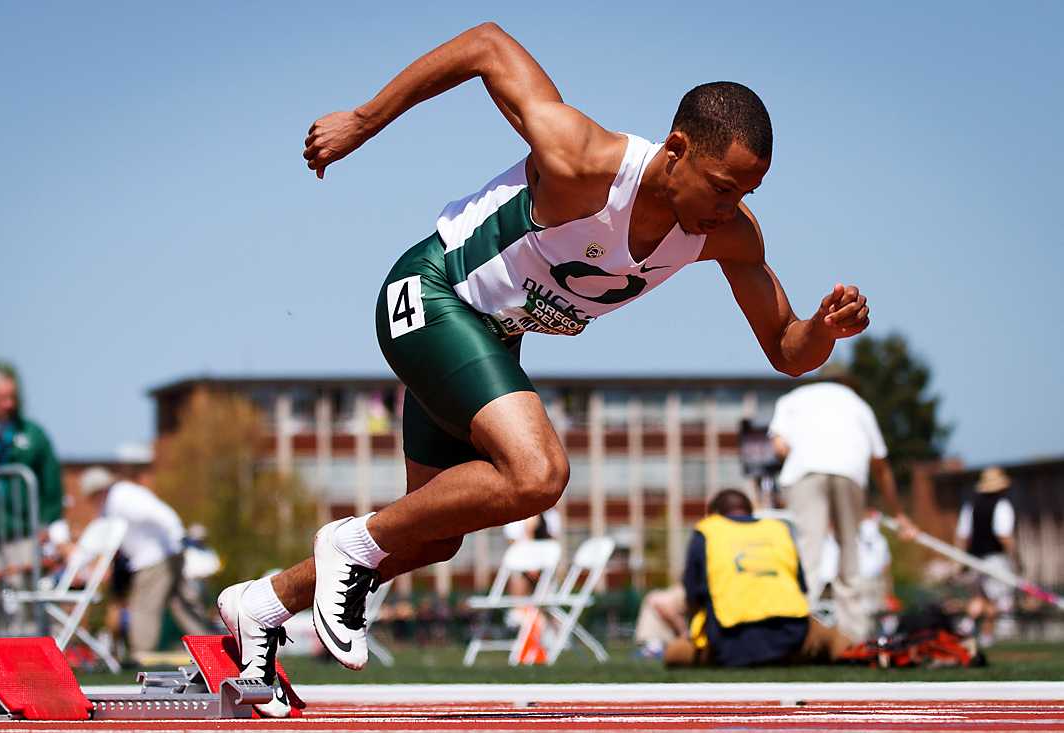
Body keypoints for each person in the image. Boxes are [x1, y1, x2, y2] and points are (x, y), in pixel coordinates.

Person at [217, 22, 873, 715]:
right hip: (431, 295)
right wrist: (362, 120)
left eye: (746, 192)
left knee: (433, 534)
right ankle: (348, 545)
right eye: (720, 187)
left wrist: (824, 331)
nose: (728, 208)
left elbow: (784, 348)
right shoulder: (583, 159)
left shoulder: (728, 233)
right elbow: (487, 45)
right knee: (538, 473)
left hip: (488, 341)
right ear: (677, 149)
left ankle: (261, 604)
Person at [768, 378, 915, 641]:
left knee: (808, 549)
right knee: (849, 548)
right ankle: (854, 636)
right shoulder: (859, 404)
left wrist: (803, 451)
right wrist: (899, 513)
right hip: (849, 471)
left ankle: (800, 633)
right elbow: (880, 465)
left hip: (805, 472)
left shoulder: (792, 398)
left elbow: (779, 446)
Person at [664, 489, 852, 667]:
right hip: (793, 637)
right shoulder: (779, 530)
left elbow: (692, 596)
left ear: (714, 514)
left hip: (731, 644)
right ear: (750, 511)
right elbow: (801, 588)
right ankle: (855, 654)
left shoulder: (707, 532)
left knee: (674, 653)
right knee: (835, 639)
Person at [0, 367, 64, 630]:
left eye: (12, 397)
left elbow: (52, 481)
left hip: (22, 528)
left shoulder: (32, 434)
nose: (8, 404)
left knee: (26, 594)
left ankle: (30, 654)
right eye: (1, 398)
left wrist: (46, 521)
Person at [78, 467, 212, 662]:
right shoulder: (115, 501)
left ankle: (141, 655)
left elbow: (159, 513)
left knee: (143, 607)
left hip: (155, 559)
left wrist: (178, 536)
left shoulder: (123, 498)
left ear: (98, 491)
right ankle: (210, 647)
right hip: (164, 554)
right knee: (182, 605)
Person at [955, 466, 1018, 647]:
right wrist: (1015, 558)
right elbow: (1004, 535)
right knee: (994, 598)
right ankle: (987, 635)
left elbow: (962, 535)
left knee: (979, 597)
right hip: (994, 558)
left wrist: (961, 560)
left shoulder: (971, 505)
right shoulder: (1002, 505)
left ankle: (965, 628)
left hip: (974, 558)